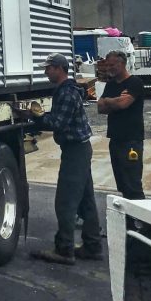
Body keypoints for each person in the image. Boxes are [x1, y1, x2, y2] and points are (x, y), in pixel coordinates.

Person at [29, 54, 103, 265]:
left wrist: (34, 118)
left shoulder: (67, 93)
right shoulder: (67, 91)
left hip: (75, 152)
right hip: (79, 149)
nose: (45, 72)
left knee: (66, 202)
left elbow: (58, 123)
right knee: (86, 201)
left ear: (60, 69)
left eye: (49, 68)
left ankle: (64, 250)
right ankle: (92, 246)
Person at [97, 50, 145, 200]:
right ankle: (127, 218)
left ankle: (140, 220)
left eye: (112, 65)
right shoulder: (111, 84)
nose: (109, 68)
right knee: (122, 183)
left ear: (122, 64)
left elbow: (123, 104)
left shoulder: (135, 83)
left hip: (131, 140)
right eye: (107, 65)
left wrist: (109, 101)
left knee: (133, 183)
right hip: (115, 140)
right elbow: (100, 108)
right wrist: (114, 101)